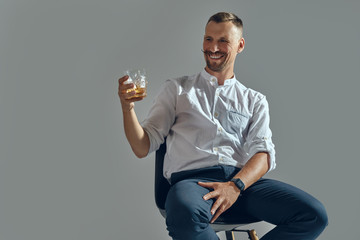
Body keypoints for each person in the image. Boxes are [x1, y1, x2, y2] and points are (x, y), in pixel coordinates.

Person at [118, 12, 328, 240]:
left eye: (223, 41)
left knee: (313, 214)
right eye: (208, 39)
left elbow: (263, 154)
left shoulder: (254, 100)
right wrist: (127, 108)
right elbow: (142, 147)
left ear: (240, 45)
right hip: (193, 186)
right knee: (184, 212)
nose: (213, 47)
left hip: (242, 185)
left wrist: (235, 186)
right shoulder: (177, 90)